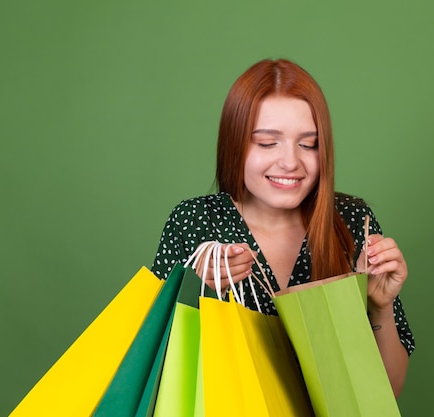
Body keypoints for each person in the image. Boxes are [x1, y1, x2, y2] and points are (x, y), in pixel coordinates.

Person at [151, 58, 415, 397]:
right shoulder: (193, 222)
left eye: (308, 144)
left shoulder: (350, 220)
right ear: (234, 144)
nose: (291, 162)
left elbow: (385, 391)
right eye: (267, 143)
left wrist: (380, 304)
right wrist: (192, 290)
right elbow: (154, 373)